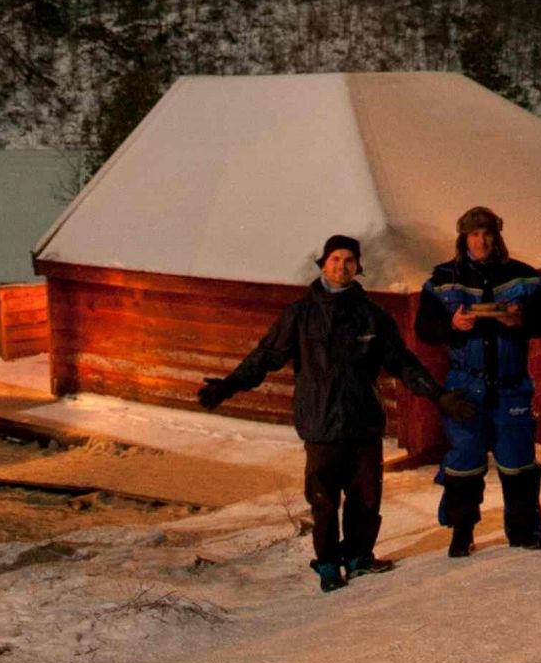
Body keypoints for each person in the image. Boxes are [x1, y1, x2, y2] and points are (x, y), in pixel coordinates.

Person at [199, 234, 475, 591]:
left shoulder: (372, 317)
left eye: (349, 261)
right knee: (323, 500)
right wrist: (228, 385)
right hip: (320, 423)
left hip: (362, 422)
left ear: (358, 267)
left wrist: (438, 395)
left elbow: (402, 363)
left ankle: (359, 557)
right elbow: (266, 356)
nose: (341, 266)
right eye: (335, 260)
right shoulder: (300, 315)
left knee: (365, 497)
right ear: (323, 265)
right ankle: (328, 563)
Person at [414, 206, 541, 554]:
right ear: (463, 237)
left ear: (497, 236)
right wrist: (452, 325)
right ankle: (462, 533)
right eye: (474, 234)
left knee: (518, 461)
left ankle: (525, 530)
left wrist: (520, 322)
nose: (480, 241)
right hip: (465, 385)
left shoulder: (524, 277)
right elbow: (424, 329)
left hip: (511, 384)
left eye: (487, 234)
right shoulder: (442, 279)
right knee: (465, 459)